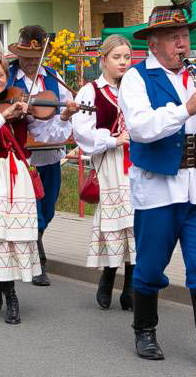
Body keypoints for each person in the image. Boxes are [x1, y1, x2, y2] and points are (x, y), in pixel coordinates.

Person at [119, 1, 196, 371]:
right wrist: (187, 108)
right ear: (153, 42)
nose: (181, 43)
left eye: (185, 36)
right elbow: (141, 128)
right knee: (151, 265)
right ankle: (144, 330)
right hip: (159, 188)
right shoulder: (137, 77)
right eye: (173, 37)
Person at [0, 52, 76, 324]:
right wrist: (4, 117)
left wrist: (64, 117)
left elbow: (48, 135)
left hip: (16, 173)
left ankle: (9, 293)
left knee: (14, 234)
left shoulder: (20, 103)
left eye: (1, 74)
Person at [6, 25, 75, 286]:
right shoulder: (9, 77)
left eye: (36, 58)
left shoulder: (53, 78)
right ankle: (37, 260)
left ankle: (38, 243)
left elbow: (64, 106)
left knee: (49, 206)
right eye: (26, 58)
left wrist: (68, 111)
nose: (32, 63)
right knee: (31, 207)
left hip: (49, 152)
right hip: (23, 153)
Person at [72, 34, 136, 311]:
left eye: (126, 57)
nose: (123, 62)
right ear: (103, 60)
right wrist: (113, 139)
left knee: (135, 224)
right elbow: (81, 132)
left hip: (137, 164)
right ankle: (108, 276)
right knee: (115, 223)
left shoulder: (135, 89)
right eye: (117, 57)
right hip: (110, 164)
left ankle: (132, 285)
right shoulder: (91, 91)